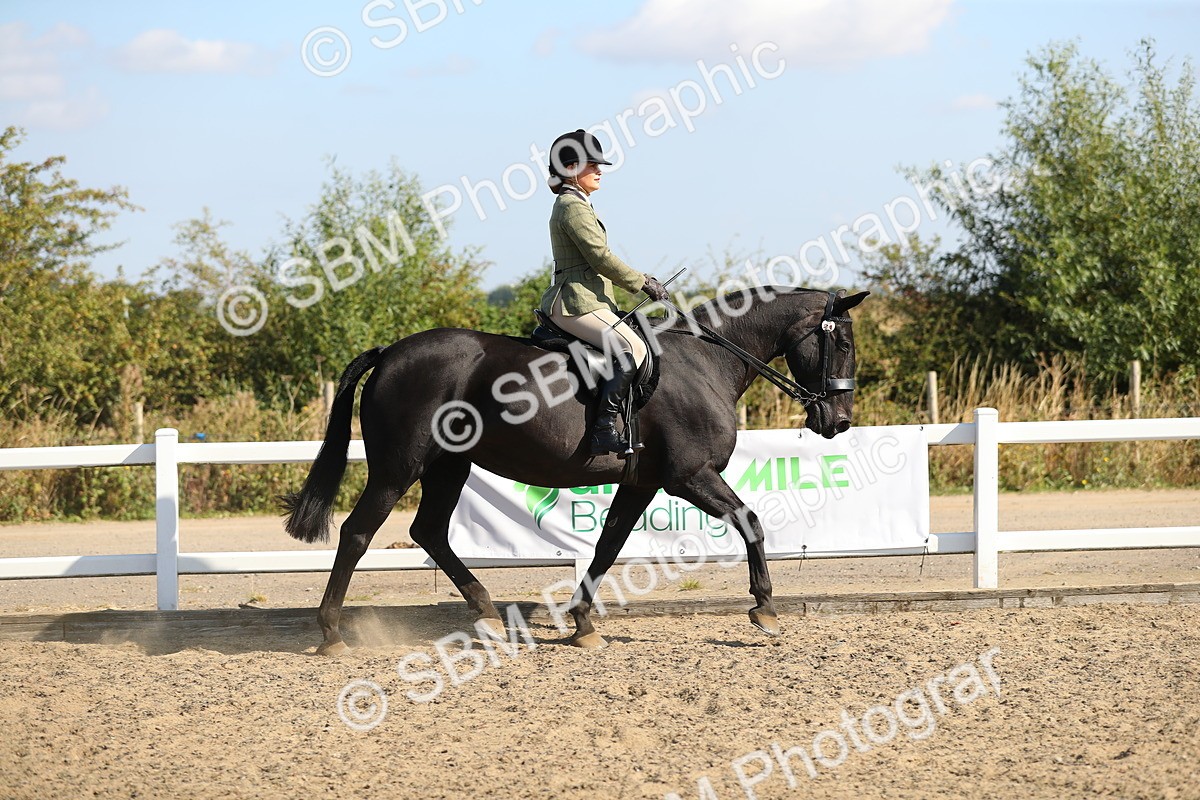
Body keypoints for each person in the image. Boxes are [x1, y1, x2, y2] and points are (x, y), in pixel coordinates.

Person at [538, 129, 670, 456]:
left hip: (589, 301)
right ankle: (603, 430)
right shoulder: (571, 205)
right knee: (632, 348)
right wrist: (641, 282)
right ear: (570, 169)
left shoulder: (577, 202)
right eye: (591, 164)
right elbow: (600, 257)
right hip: (575, 302)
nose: (599, 170)